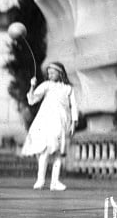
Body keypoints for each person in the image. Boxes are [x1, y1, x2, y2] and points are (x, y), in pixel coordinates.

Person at [21, 62, 78, 191]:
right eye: (49, 73)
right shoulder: (46, 85)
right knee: (45, 150)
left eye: (53, 72)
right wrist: (32, 86)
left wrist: (74, 122)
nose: (50, 74)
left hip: (62, 121)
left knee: (58, 152)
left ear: (60, 73)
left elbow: (73, 105)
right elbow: (32, 100)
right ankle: (40, 180)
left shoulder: (68, 88)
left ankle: (55, 181)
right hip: (47, 121)